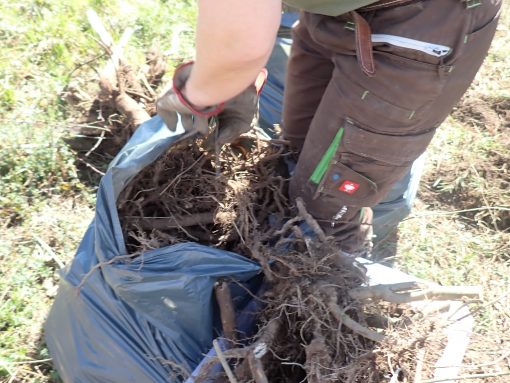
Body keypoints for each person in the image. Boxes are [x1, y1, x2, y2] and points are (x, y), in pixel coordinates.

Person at [157, 0, 502, 256]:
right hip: (337, 14)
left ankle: (330, 299)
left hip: (420, 29)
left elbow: (240, 47)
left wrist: (200, 93)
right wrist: (225, 77)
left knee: (321, 220)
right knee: (294, 159)